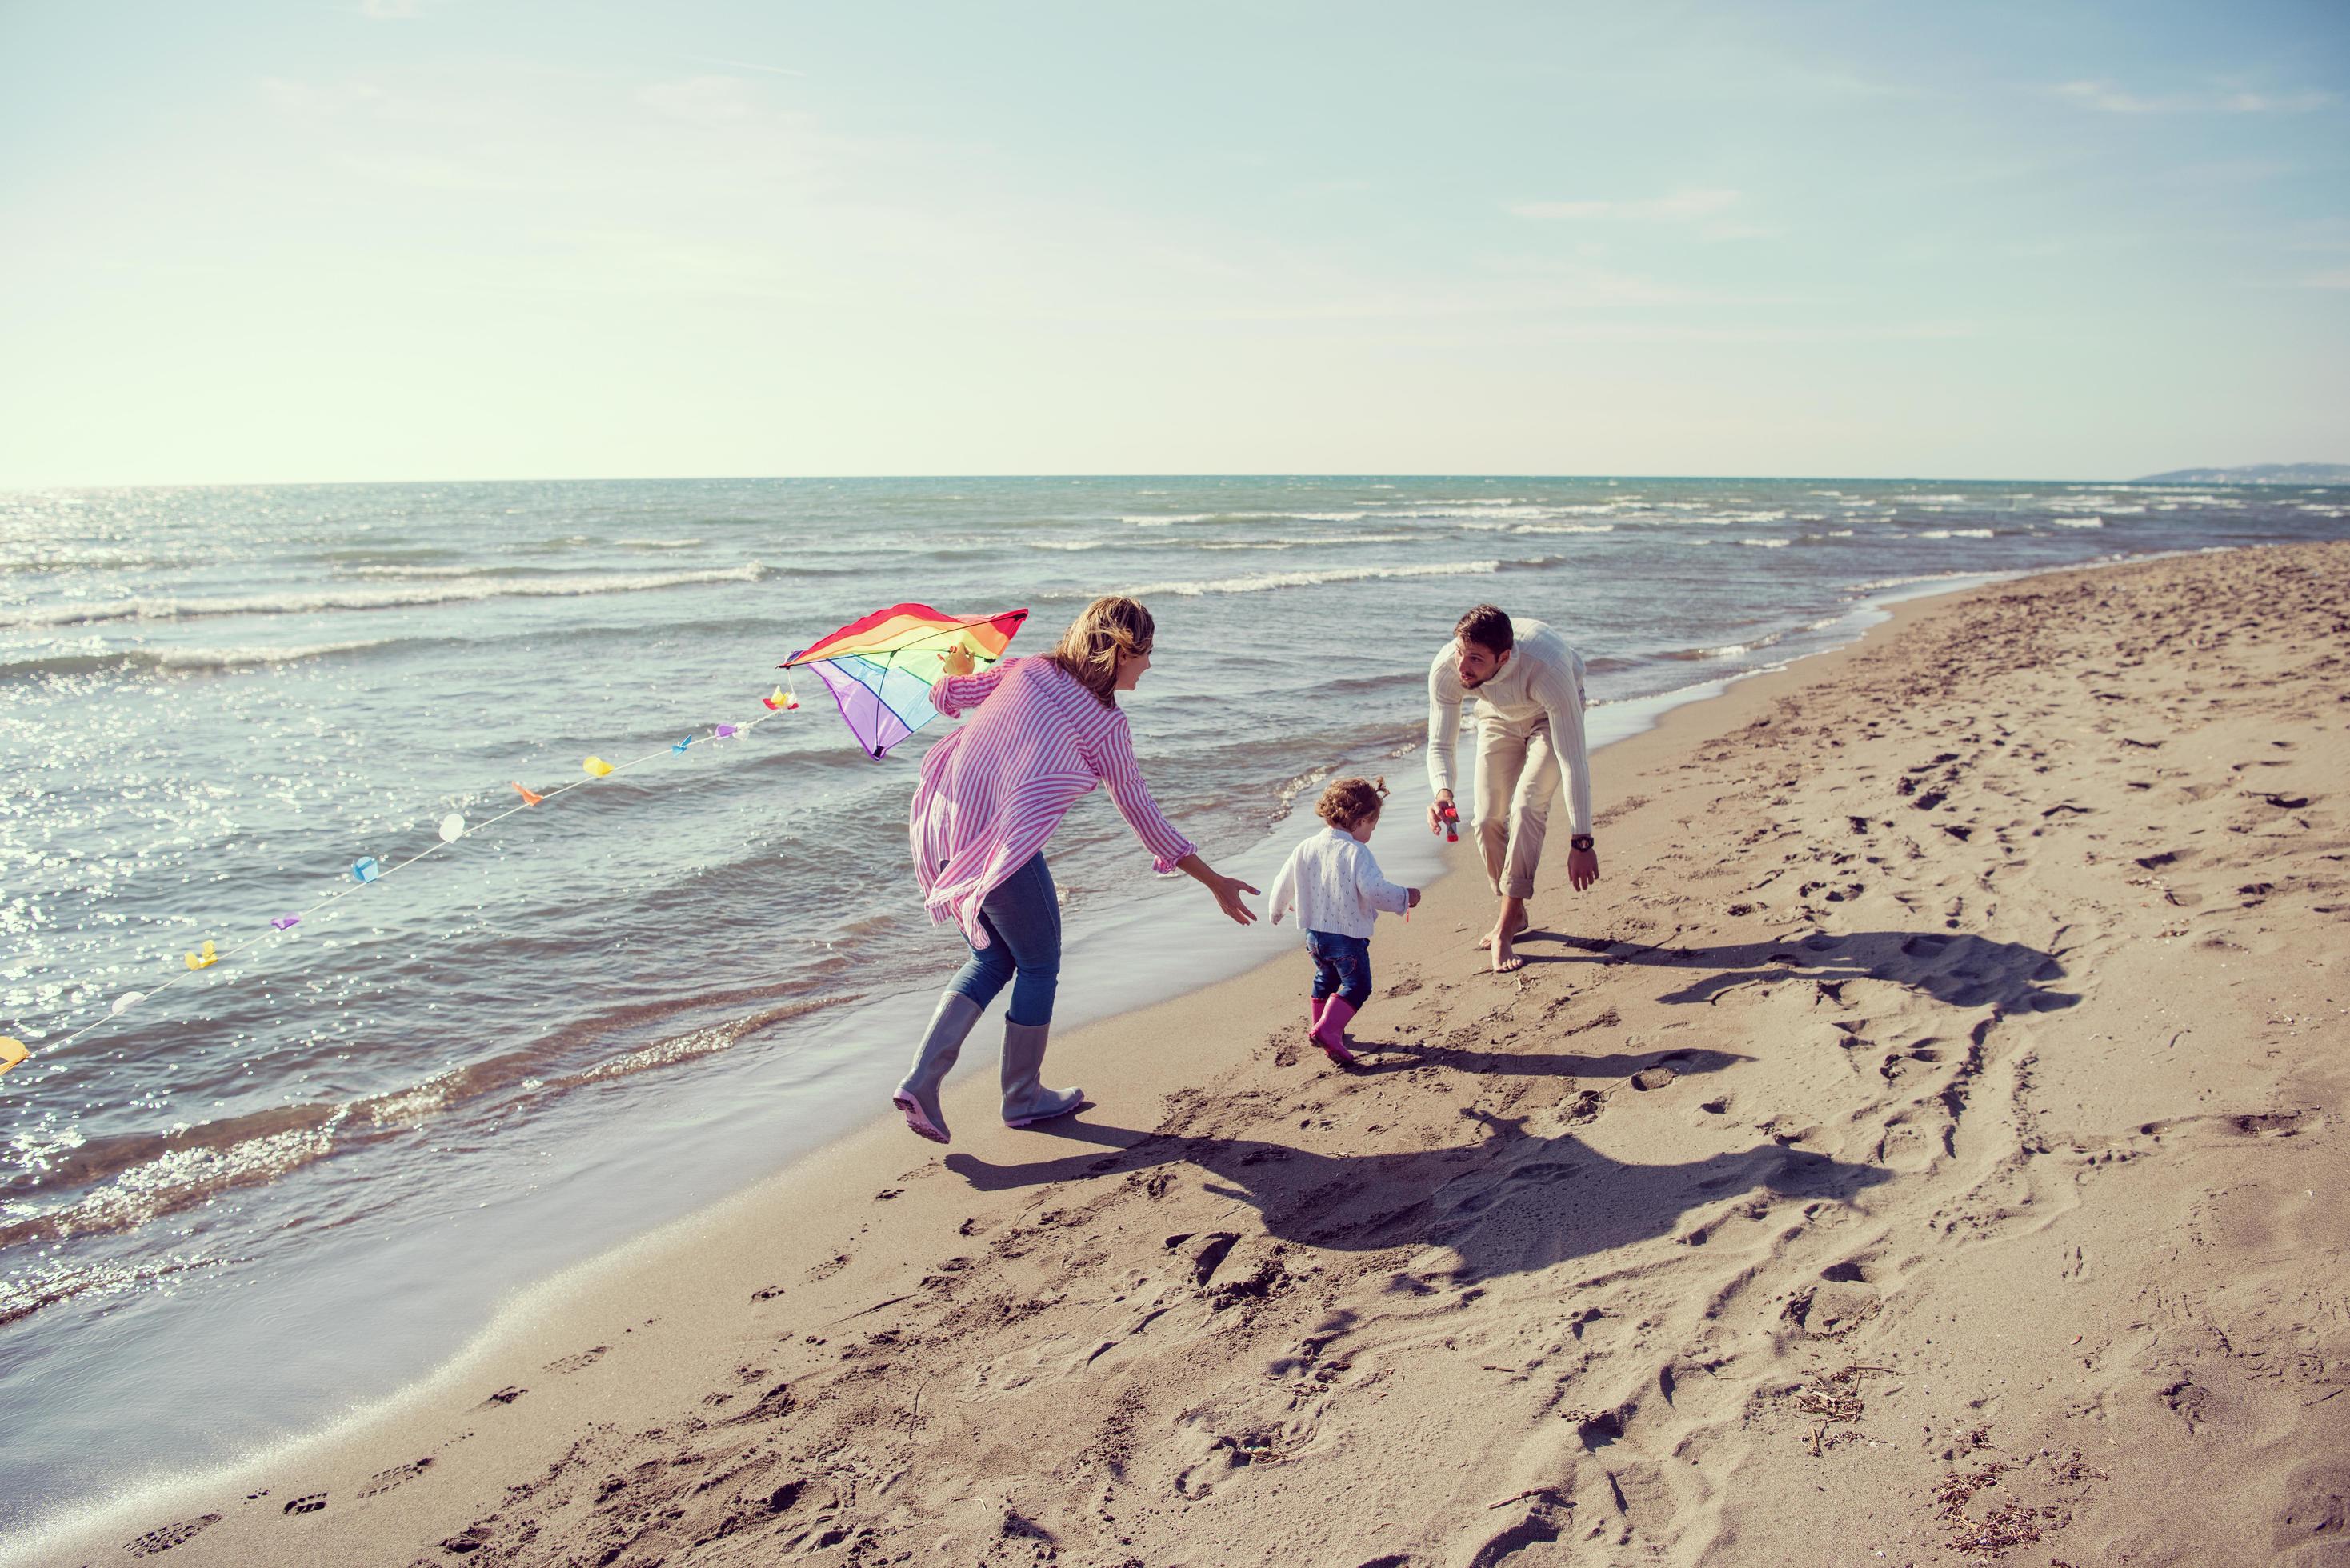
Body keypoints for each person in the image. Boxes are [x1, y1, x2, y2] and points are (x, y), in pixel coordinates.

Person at [892, 595, 1259, 1144]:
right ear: (1119, 651)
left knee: (992, 958)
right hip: (998, 850)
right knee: (1039, 965)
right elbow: (1143, 814)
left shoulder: (1028, 670)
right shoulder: (1106, 725)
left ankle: (922, 1081)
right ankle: (1020, 1097)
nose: (1150, 666)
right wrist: (1213, 880)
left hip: (946, 829)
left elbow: (946, 695)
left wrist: (959, 661)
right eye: (1147, 653)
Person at [1424, 604, 1599, 974]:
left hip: (1550, 715)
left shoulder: (1546, 667)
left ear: (1504, 657)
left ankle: (1504, 927)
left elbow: (1573, 760)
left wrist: (1582, 841)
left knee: (1526, 806)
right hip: (1497, 718)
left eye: (1474, 658)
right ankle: (1514, 910)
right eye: (1459, 652)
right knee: (1486, 820)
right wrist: (1443, 793)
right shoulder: (1448, 668)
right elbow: (1441, 744)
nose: (1462, 666)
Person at [1265, 776, 1419, 1066]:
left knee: (1326, 979)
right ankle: (1328, 1029)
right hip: (1346, 938)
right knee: (1357, 986)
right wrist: (1404, 896)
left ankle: (1322, 1027)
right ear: (1361, 820)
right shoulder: (1357, 852)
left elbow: (1283, 882)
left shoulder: (1306, 847)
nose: (1372, 832)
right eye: (1372, 826)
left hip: (1314, 937)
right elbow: (1375, 891)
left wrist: (1276, 910)